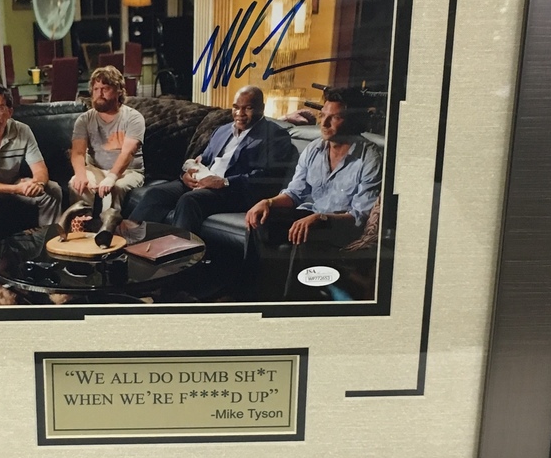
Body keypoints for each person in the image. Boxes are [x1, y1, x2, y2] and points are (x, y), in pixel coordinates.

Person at [244, 88, 382, 298]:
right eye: (322, 115)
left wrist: (320, 218)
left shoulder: (369, 157)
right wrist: (268, 202)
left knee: (306, 232)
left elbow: (360, 216)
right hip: (310, 216)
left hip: (341, 225)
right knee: (261, 219)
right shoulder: (314, 149)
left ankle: (290, 303)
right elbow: (295, 193)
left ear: (352, 120)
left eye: (334, 118)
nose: (324, 124)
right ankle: (250, 295)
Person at [129, 85, 297, 233]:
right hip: (204, 182)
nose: (240, 114)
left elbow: (266, 178)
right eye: (236, 107)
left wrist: (224, 182)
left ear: (262, 108)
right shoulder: (222, 130)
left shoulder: (275, 135)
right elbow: (203, 159)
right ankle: (129, 242)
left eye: (248, 108)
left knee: (189, 200)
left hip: (233, 191)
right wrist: (186, 175)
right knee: (155, 193)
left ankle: (179, 255)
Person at [0, 83, 61, 275]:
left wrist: (38, 183)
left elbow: (40, 170)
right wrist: (16, 189)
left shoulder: (23, 130)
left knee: (53, 190)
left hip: (11, 184)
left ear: (9, 111)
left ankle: (48, 250)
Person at [69, 65, 145, 212]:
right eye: (96, 89)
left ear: (119, 91)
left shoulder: (133, 118)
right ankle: (84, 222)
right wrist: (80, 175)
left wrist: (111, 177)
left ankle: (110, 224)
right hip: (96, 168)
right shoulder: (84, 119)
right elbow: (78, 152)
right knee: (76, 184)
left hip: (128, 171)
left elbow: (127, 153)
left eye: (105, 88)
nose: (100, 93)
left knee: (116, 187)